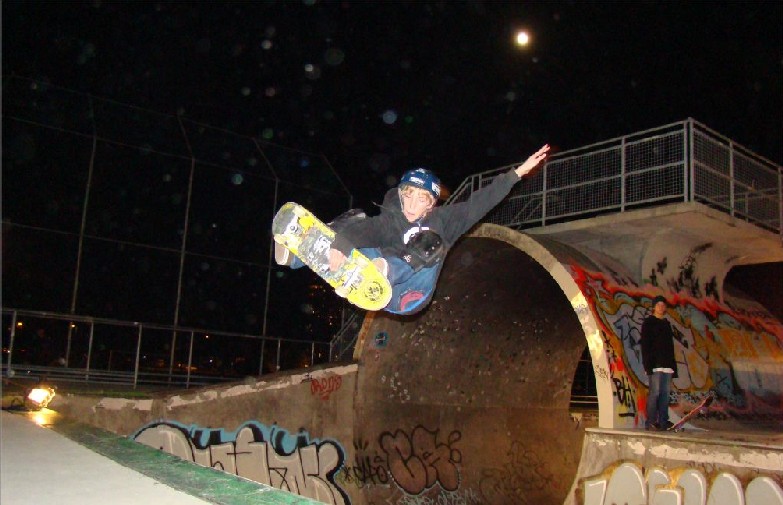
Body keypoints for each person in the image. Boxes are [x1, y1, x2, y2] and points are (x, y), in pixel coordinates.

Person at [276, 144, 550, 314]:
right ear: (402, 194)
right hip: (375, 281)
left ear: (431, 204)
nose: (412, 205)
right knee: (355, 219)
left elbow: (480, 202)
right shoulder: (391, 218)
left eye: (421, 200)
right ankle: (296, 253)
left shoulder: (443, 219)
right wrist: (341, 245)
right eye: (408, 196)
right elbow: (366, 232)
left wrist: (516, 174)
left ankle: (384, 270)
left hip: (410, 293)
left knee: (431, 242)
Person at [640, 295, 678, 430]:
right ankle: (650, 421)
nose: (661, 307)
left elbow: (670, 346)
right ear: (654, 307)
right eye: (658, 305)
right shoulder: (649, 323)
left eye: (663, 305)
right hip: (655, 364)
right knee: (654, 393)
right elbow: (645, 344)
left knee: (665, 394)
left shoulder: (667, 324)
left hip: (667, 364)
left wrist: (673, 366)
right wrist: (647, 365)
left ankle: (663, 421)